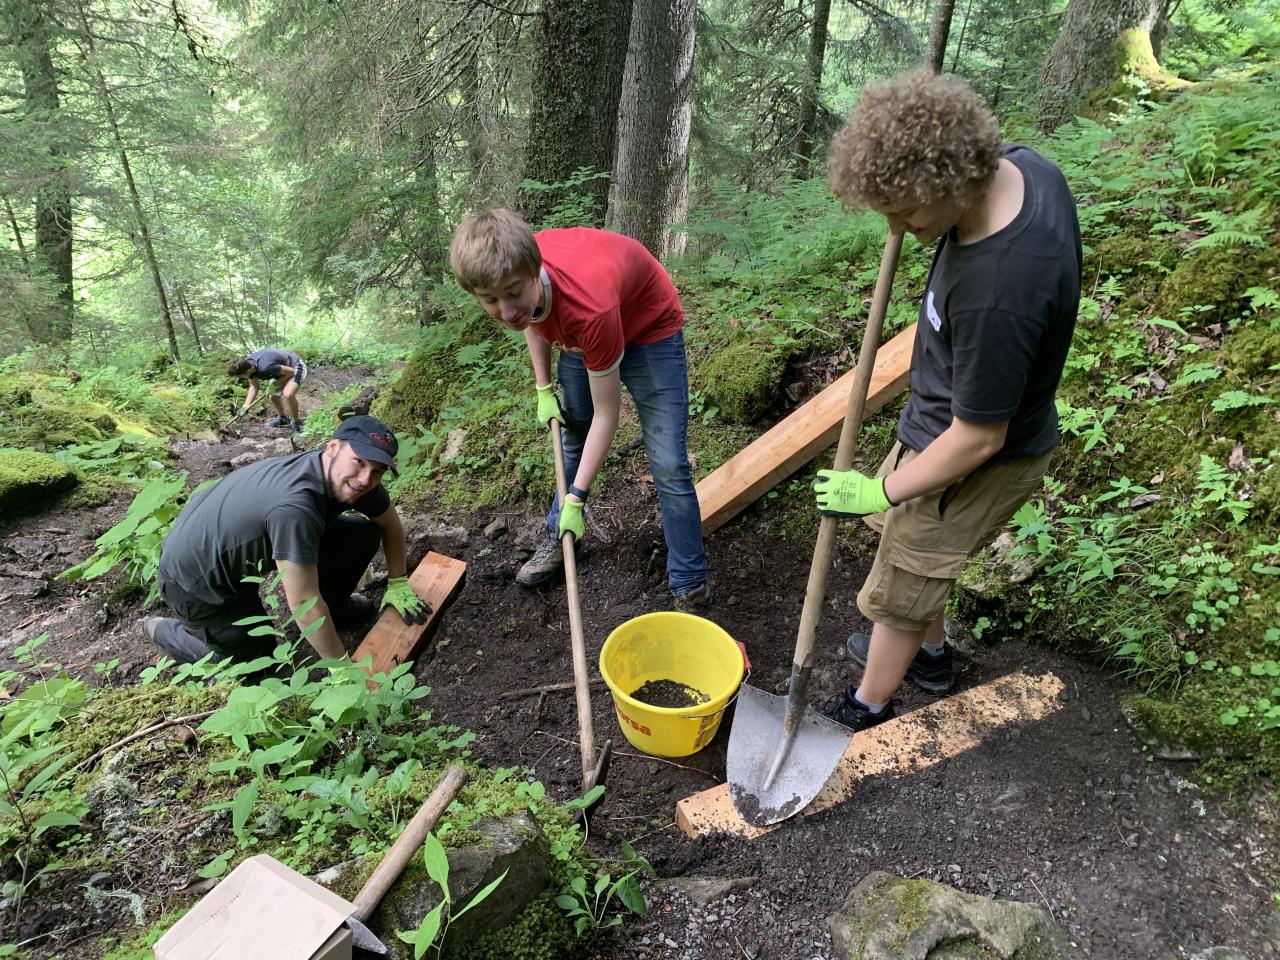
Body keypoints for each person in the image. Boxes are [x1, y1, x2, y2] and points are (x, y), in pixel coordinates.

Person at [812, 70, 1081, 731]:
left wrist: (882, 490)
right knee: (904, 541)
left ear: (950, 184)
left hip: (977, 456)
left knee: (904, 578)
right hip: (939, 419)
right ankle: (930, 660)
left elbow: (979, 437)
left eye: (903, 212)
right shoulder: (1019, 168)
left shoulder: (1001, 292)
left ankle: (866, 707)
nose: (895, 228)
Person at [448, 209, 709, 608]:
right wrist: (543, 387)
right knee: (572, 432)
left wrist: (577, 498)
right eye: (490, 301)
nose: (505, 311)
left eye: (512, 293)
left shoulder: (590, 307)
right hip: (581, 325)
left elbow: (609, 416)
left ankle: (689, 580)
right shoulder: (516, 274)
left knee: (669, 463)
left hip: (647, 327)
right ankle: (562, 538)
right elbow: (531, 319)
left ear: (534, 273)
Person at [142, 415, 431, 665]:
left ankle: (335, 609)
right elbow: (303, 600)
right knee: (259, 665)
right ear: (332, 448)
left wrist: (398, 581)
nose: (366, 479)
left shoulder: (350, 478)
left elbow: (389, 523)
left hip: (230, 551)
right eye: (359, 462)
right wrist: (342, 668)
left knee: (360, 536)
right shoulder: (296, 508)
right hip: (197, 582)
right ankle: (165, 631)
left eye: (377, 471)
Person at [228, 348, 308, 432]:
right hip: (280, 369)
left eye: (240, 376)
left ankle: (296, 423)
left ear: (247, 371)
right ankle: (283, 419)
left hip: (294, 366)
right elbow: (254, 386)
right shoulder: (249, 366)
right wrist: (245, 406)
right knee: (273, 396)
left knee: (288, 394)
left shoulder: (266, 367)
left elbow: (290, 372)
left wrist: (274, 384)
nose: (241, 378)